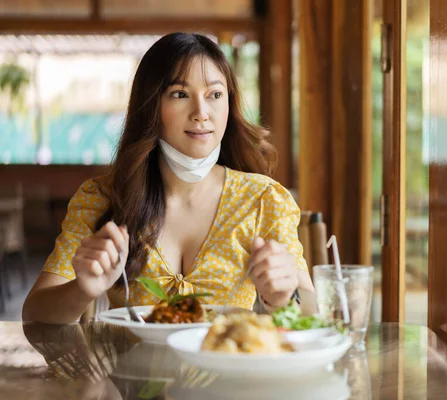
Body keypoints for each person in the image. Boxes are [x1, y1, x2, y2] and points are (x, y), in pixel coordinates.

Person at [22, 32, 315, 324]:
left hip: (228, 366)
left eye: (215, 95)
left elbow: (312, 313)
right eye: (180, 94)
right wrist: (82, 290)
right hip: (129, 371)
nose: (201, 113)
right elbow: (34, 313)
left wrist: (284, 297)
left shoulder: (263, 199)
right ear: (151, 105)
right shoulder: (101, 197)